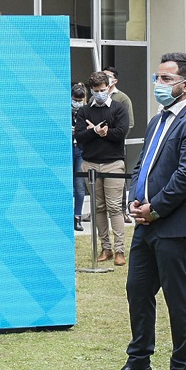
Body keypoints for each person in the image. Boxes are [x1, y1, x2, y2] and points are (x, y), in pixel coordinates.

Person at [97, 54, 186, 370]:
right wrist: (135, 197)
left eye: (165, 79)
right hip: (146, 223)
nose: (158, 85)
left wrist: (156, 208)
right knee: (137, 290)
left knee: (178, 298)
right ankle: (139, 363)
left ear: (185, 85)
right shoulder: (156, 121)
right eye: (157, 78)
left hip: (173, 224)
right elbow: (142, 164)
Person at [75, 73, 130, 267]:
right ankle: (105, 247)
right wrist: (94, 131)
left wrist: (102, 133)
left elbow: (121, 133)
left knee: (115, 207)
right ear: (91, 90)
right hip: (90, 163)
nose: (100, 94)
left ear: (109, 87)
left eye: (103, 90)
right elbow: (80, 136)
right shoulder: (84, 111)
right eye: (96, 91)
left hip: (113, 163)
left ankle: (120, 250)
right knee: (98, 207)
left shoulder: (119, 108)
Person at [72, 81, 89, 234]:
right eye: (75, 100)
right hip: (67, 149)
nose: (77, 103)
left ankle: (77, 216)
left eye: (79, 100)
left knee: (79, 185)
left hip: (81, 150)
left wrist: (79, 130)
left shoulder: (87, 111)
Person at [103, 67, 136, 138]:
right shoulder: (94, 97)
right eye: (103, 76)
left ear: (115, 81)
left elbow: (129, 124)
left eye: (108, 77)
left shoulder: (123, 99)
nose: (104, 79)